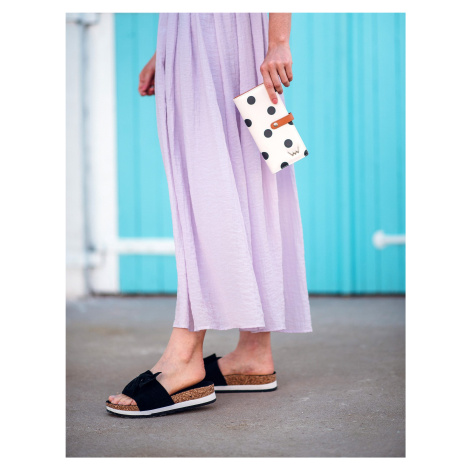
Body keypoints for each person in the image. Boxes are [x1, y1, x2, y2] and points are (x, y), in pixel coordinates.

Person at [106, 12, 312, 417]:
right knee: (256, 181)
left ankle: (184, 356)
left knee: (207, 190)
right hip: (206, 34)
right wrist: (166, 48)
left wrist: (278, 40)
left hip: (223, 34)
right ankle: (254, 352)